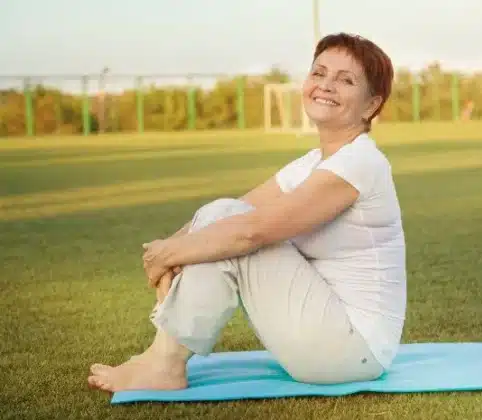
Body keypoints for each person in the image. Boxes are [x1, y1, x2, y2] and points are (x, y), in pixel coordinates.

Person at [88, 32, 406, 392]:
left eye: (345, 80)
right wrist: (164, 250)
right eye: (319, 73)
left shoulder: (361, 162)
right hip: (326, 340)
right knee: (221, 216)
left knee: (229, 222)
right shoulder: (313, 163)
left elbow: (250, 231)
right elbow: (240, 208)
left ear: (370, 105)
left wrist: (171, 255)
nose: (326, 85)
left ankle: (164, 364)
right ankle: (160, 357)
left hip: (353, 351)